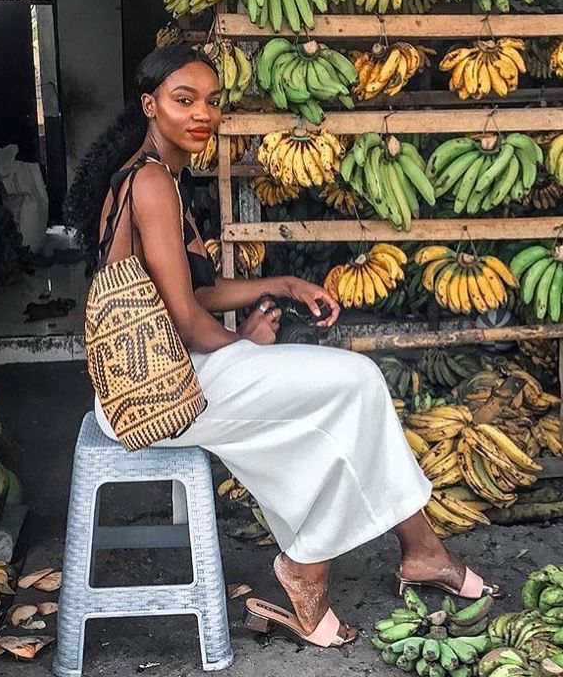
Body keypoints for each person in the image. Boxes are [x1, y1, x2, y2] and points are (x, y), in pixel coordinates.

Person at [64, 45, 499, 650]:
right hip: (162, 394)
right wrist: (245, 346)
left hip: (158, 382)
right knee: (356, 384)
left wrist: (283, 284)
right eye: (183, 100)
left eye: (212, 102)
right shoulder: (153, 183)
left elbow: (199, 289)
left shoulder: (152, 176)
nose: (202, 114)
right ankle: (314, 563)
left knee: (349, 396)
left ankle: (418, 550)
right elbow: (188, 318)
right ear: (149, 105)